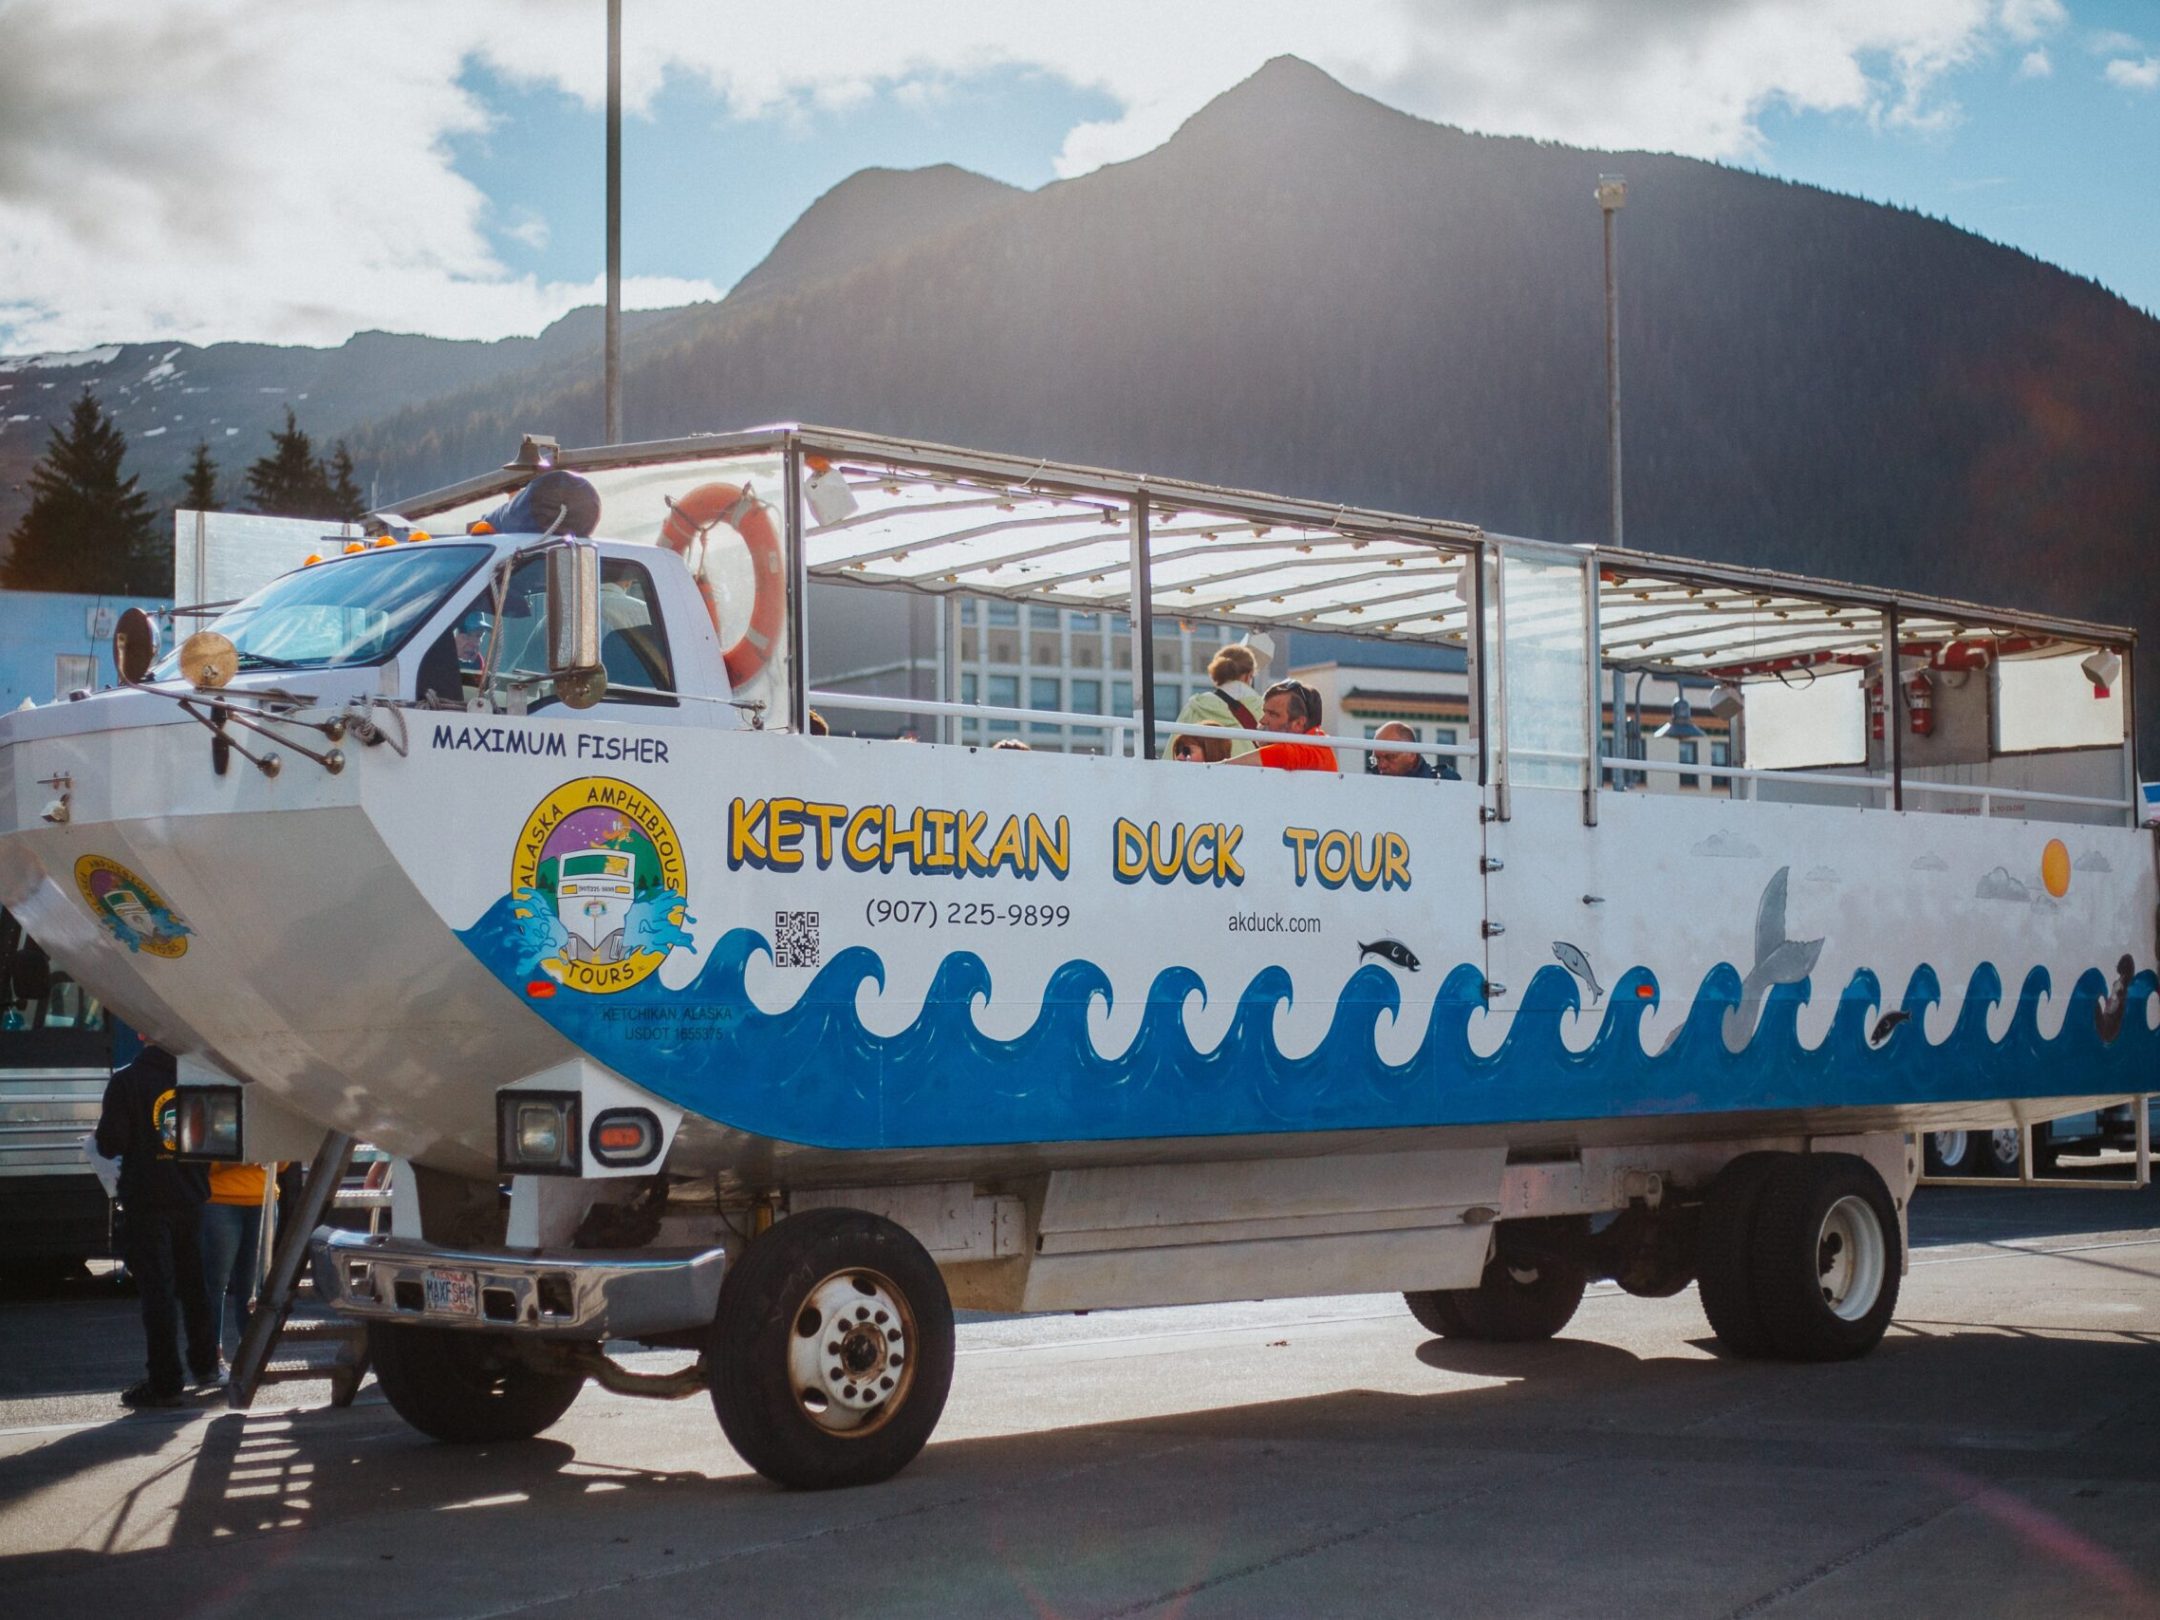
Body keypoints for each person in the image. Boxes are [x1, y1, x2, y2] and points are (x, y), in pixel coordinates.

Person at [95, 1045, 216, 1407]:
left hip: (147, 1201)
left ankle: (165, 1381)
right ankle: (206, 1366)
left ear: (144, 1032)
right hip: (191, 1197)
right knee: (195, 1287)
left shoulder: (127, 1081)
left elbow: (109, 1143)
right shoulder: (196, 1080)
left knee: (158, 1293)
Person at [200, 1161, 270, 1371]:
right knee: (214, 1283)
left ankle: (250, 1356)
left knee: (254, 1286)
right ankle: (212, 1359)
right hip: (219, 1198)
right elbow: (201, 1157)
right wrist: (241, 1158)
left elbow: (282, 1161)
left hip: (264, 1197)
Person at [1159, 643, 1266, 760]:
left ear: (1217, 674)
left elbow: (1172, 752)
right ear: (1248, 676)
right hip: (1251, 775)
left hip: (1204, 775)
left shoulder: (1196, 706)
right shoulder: (1265, 709)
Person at [1229, 681, 1339, 772]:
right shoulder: (1317, 744)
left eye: (1273, 714)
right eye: (1264, 712)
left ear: (1298, 724)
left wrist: (1216, 768)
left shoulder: (1318, 752)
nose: (1262, 720)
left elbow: (1284, 754)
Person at [1366, 719, 1460, 781]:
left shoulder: (1444, 782)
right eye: (1377, 759)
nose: (1382, 765)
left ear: (1412, 755)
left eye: (1390, 757)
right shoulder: (1368, 786)